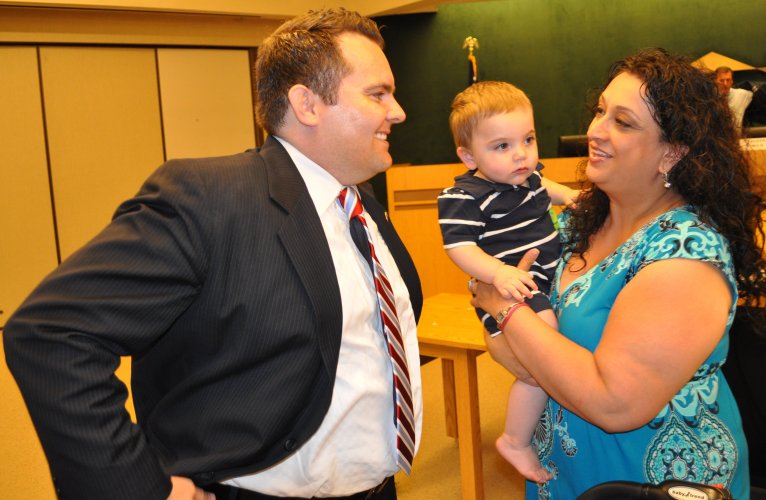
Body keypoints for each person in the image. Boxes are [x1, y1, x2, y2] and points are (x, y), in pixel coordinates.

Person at [3, 8, 423, 500]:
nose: (399, 112)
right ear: (307, 104)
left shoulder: (363, 204)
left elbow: (364, 342)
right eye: (378, 94)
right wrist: (142, 489)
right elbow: (52, 332)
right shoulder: (211, 199)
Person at [469, 47, 766, 499]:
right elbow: (508, 349)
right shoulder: (575, 223)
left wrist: (507, 311)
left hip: (652, 478)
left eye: (623, 122)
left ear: (672, 153)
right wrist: (505, 318)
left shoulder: (686, 254)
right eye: (600, 111)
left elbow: (615, 404)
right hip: (561, 467)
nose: (595, 131)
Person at [437, 81, 577, 483]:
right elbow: (459, 247)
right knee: (544, 348)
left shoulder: (528, 178)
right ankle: (515, 439)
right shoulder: (465, 196)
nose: (521, 154)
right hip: (512, 288)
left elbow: (545, 188)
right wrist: (498, 273)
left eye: (528, 139)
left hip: (544, 279)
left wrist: (570, 195)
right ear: (469, 156)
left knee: (552, 347)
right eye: (502, 146)